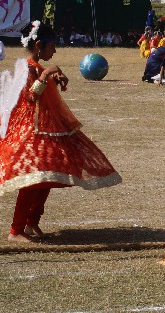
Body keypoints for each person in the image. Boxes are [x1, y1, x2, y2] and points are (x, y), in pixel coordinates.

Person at [0, 21, 121, 242]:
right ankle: (15, 231)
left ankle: (31, 223)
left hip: (47, 130)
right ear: (39, 45)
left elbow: (43, 93)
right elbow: (29, 98)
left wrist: (53, 79)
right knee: (33, 181)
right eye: (52, 45)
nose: (55, 50)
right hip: (31, 132)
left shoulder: (35, 67)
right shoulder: (26, 67)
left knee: (48, 176)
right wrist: (46, 76)